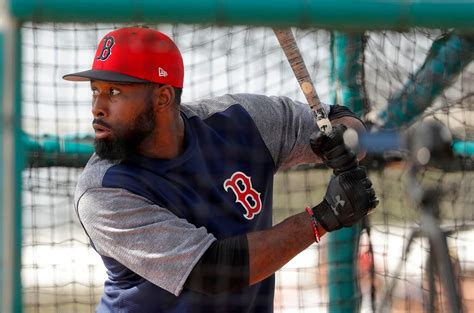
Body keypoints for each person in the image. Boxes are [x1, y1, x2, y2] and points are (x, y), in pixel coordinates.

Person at [63, 26, 378, 313]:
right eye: (96, 90)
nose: (97, 107)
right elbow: (214, 269)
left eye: (114, 92)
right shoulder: (103, 190)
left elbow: (341, 120)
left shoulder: (242, 122)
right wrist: (322, 218)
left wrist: (345, 141)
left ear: (162, 97)